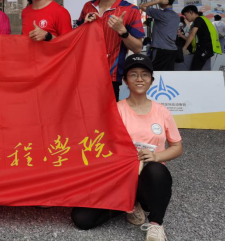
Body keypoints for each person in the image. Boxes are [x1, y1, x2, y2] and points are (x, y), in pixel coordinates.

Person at [71, 54, 183, 241]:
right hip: (119, 178)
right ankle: (127, 206)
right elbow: (101, 146)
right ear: (125, 80)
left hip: (148, 180)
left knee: (156, 170)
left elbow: (177, 146)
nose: (139, 79)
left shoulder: (162, 112)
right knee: (82, 219)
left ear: (151, 80)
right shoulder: (115, 110)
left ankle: (156, 224)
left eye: (144, 74)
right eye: (133, 74)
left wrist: (156, 156)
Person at [78, 0, 144, 101]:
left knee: (107, 115)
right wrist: (83, 26)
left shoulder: (130, 10)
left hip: (111, 77)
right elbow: (76, 41)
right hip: (84, 74)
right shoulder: (88, 7)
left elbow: (138, 48)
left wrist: (122, 31)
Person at [139, 0, 180, 71]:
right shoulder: (176, 16)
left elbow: (141, 6)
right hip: (172, 50)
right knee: (168, 73)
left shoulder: (161, 14)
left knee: (154, 73)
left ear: (163, 0)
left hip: (161, 50)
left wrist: (158, 1)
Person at [179, 6, 222, 71]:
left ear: (191, 12)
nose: (185, 17)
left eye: (185, 15)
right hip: (206, 49)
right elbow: (191, 39)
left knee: (195, 70)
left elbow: (192, 34)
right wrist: (180, 35)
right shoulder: (203, 19)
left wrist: (184, 48)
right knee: (200, 69)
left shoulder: (198, 19)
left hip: (204, 48)